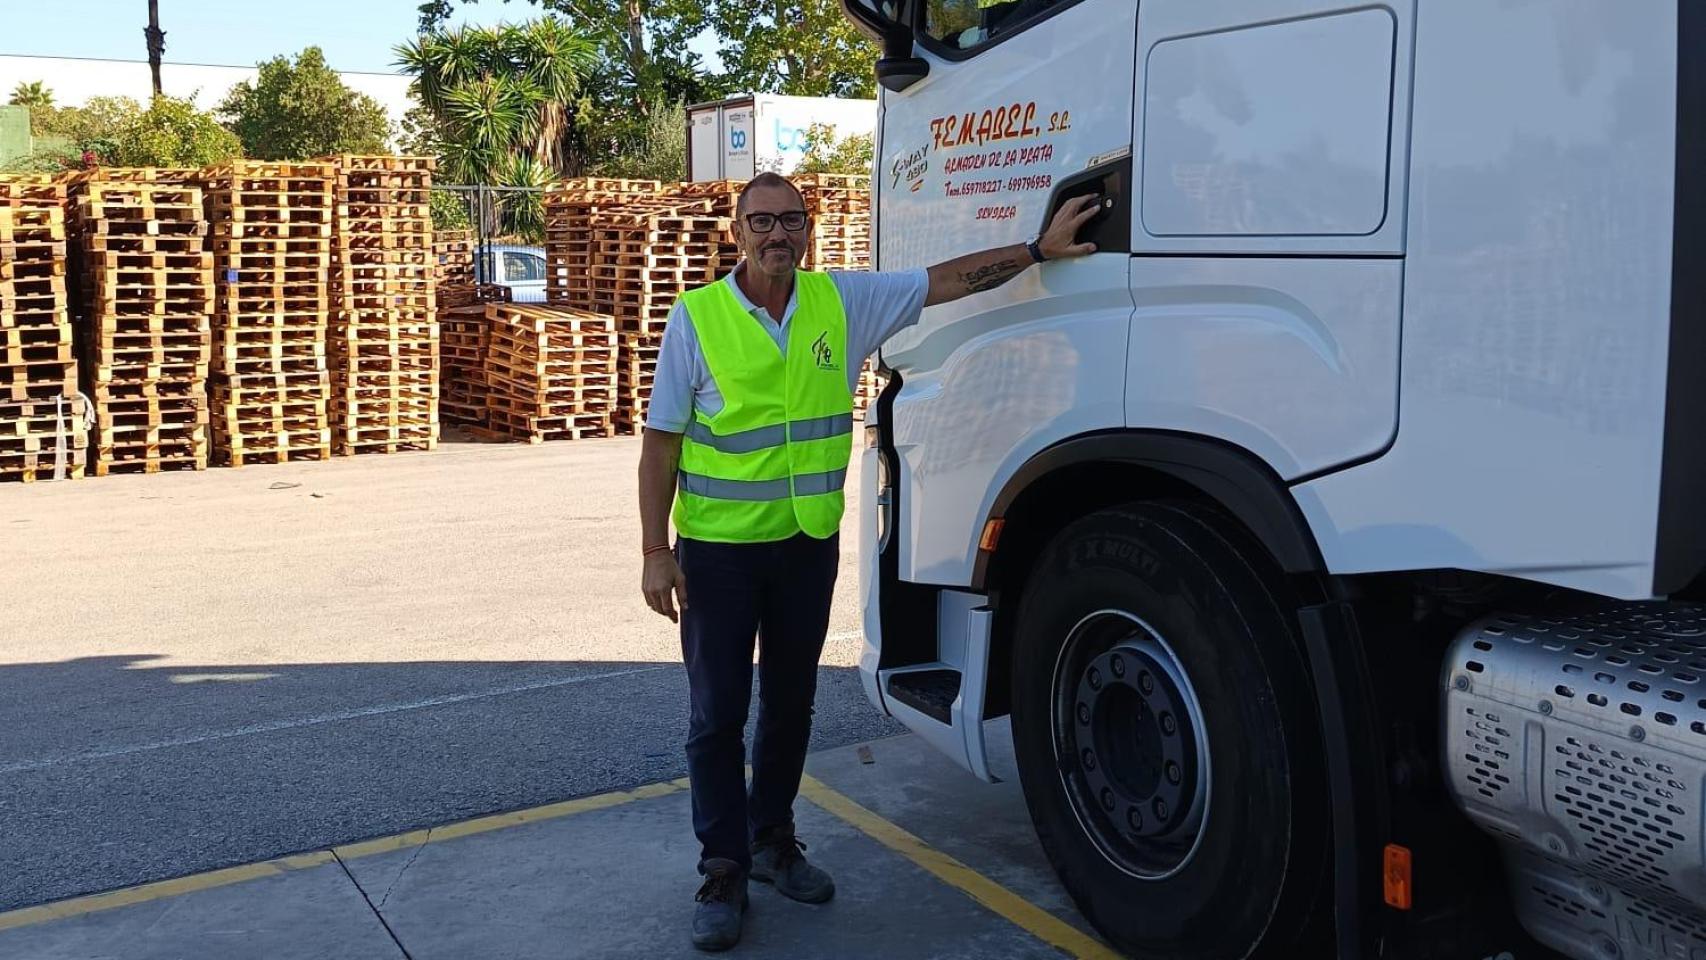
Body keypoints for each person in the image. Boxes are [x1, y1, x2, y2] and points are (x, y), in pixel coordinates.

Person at [637, 172, 1101, 951]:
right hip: (717, 554)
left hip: (803, 546)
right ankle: (722, 865)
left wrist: (1035, 249)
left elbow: (945, 281)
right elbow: (661, 445)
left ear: (808, 228)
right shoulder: (699, 318)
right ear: (737, 229)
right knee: (717, 715)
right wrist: (656, 551)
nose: (777, 233)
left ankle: (772, 840)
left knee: (789, 705)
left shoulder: (839, 302)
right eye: (762, 221)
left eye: (791, 219)